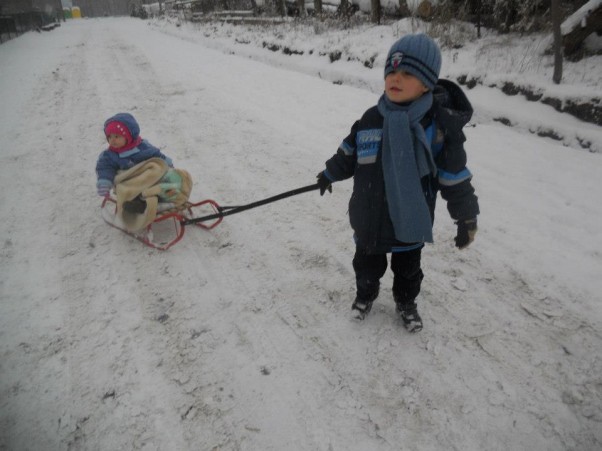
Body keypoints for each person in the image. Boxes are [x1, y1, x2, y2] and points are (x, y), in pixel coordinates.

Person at [316, 33, 480, 332]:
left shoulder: (437, 129)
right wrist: (329, 174)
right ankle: (365, 295)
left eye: (407, 73)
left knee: (408, 271)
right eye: (391, 71)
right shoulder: (370, 119)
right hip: (368, 218)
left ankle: (406, 304)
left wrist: (466, 216)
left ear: (427, 84)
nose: (396, 78)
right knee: (366, 267)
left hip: (410, 221)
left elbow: (454, 176)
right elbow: (349, 152)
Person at [95, 112, 174, 213]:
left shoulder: (142, 146)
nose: (112, 140)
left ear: (128, 136)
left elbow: (155, 154)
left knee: (160, 175)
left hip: (148, 178)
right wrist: (104, 183)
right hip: (130, 182)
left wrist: (166, 162)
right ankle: (140, 206)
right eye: (109, 137)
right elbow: (104, 168)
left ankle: (162, 198)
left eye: (116, 136)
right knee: (128, 191)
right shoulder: (109, 155)